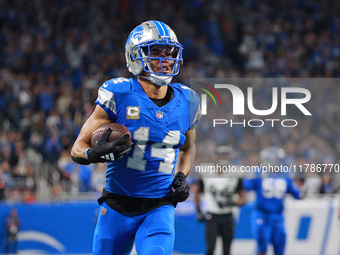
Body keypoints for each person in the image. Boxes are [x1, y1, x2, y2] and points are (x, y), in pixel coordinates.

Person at [71, 20, 201, 255]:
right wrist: (93, 154)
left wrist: (181, 176)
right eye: (155, 53)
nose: (164, 60)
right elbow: (77, 148)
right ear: (135, 57)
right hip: (116, 205)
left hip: (159, 206)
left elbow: (187, 149)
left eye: (169, 52)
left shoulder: (188, 101)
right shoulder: (119, 93)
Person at [243, 146, 302, 255]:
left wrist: (300, 190)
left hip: (278, 216)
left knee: (279, 245)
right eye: (278, 160)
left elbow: (297, 194)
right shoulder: (258, 173)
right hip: (262, 213)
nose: (281, 162)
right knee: (262, 244)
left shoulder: (285, 174)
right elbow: (246, 187)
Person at [194, 145, 246, 255]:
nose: (223, 157)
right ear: (216, 156)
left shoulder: (235, 173)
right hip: (212, 216)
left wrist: (233, 202)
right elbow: (197, 193)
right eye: (221, 154)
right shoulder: (206, 171)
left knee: (226, 250)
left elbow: (243, 198)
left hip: (228, 216)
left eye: (226, 154)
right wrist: (198, 210)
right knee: (210, 249)